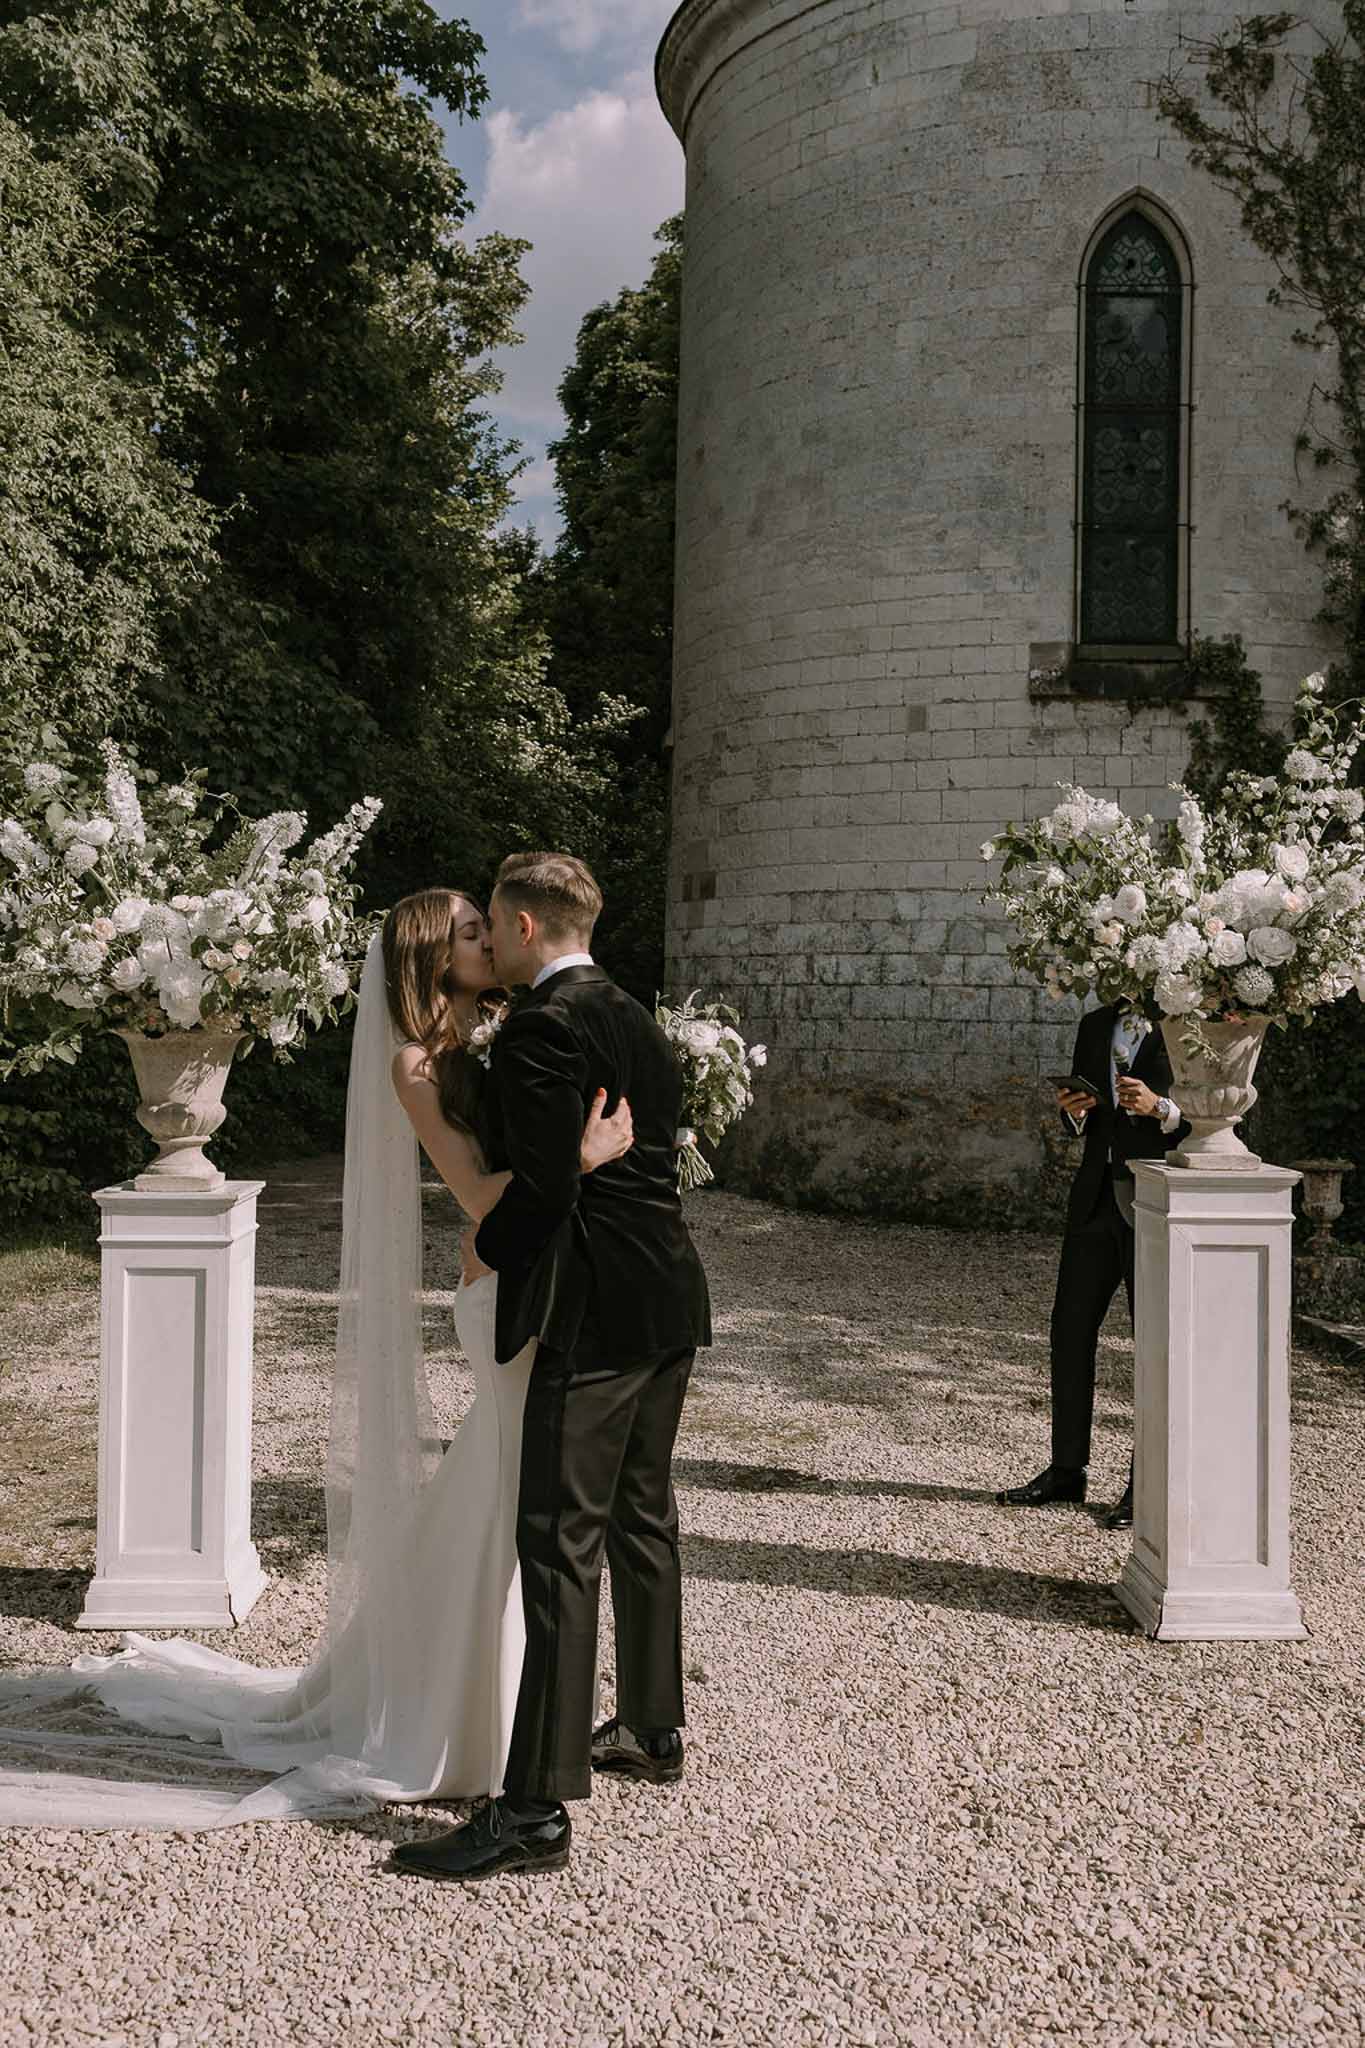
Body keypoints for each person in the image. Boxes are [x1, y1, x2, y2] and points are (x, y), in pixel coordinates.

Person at [0, 889, 633, 1829]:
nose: (490, 938)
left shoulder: (510, 1030)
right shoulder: (417, 1064)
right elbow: (476, 1197)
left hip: (550, 1283)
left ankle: (491, 1708)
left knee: (498, 1497)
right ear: (431, 957)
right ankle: (459, 1720)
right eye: (469, 931)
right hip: (502, 1287)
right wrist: (579, 1159)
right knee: (506, 1492)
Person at [393, 851, 711, 1884]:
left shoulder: (541, 1027)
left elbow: (538, 1190)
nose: (488, 937)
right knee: (643, 1515)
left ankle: (532, 1808)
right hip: (669, 1297)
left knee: (560, 1543)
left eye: (492, 922)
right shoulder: (635, 1016)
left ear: (524, 927)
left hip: (595, 1313)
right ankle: (652, 1728)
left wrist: (486, 1247)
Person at [997, 999, 1186, 1531]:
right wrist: (1074, 1112)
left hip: (1153, 1200)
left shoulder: (1186, 1019)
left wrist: (1160, 1107)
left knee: (1153, 1343)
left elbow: (1210, 1119)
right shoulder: (1095, 1024)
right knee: (1069, 1330)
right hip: (1094, 1198)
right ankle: (1066, 1471)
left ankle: (1144, 1486)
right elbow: (1081, 1116)